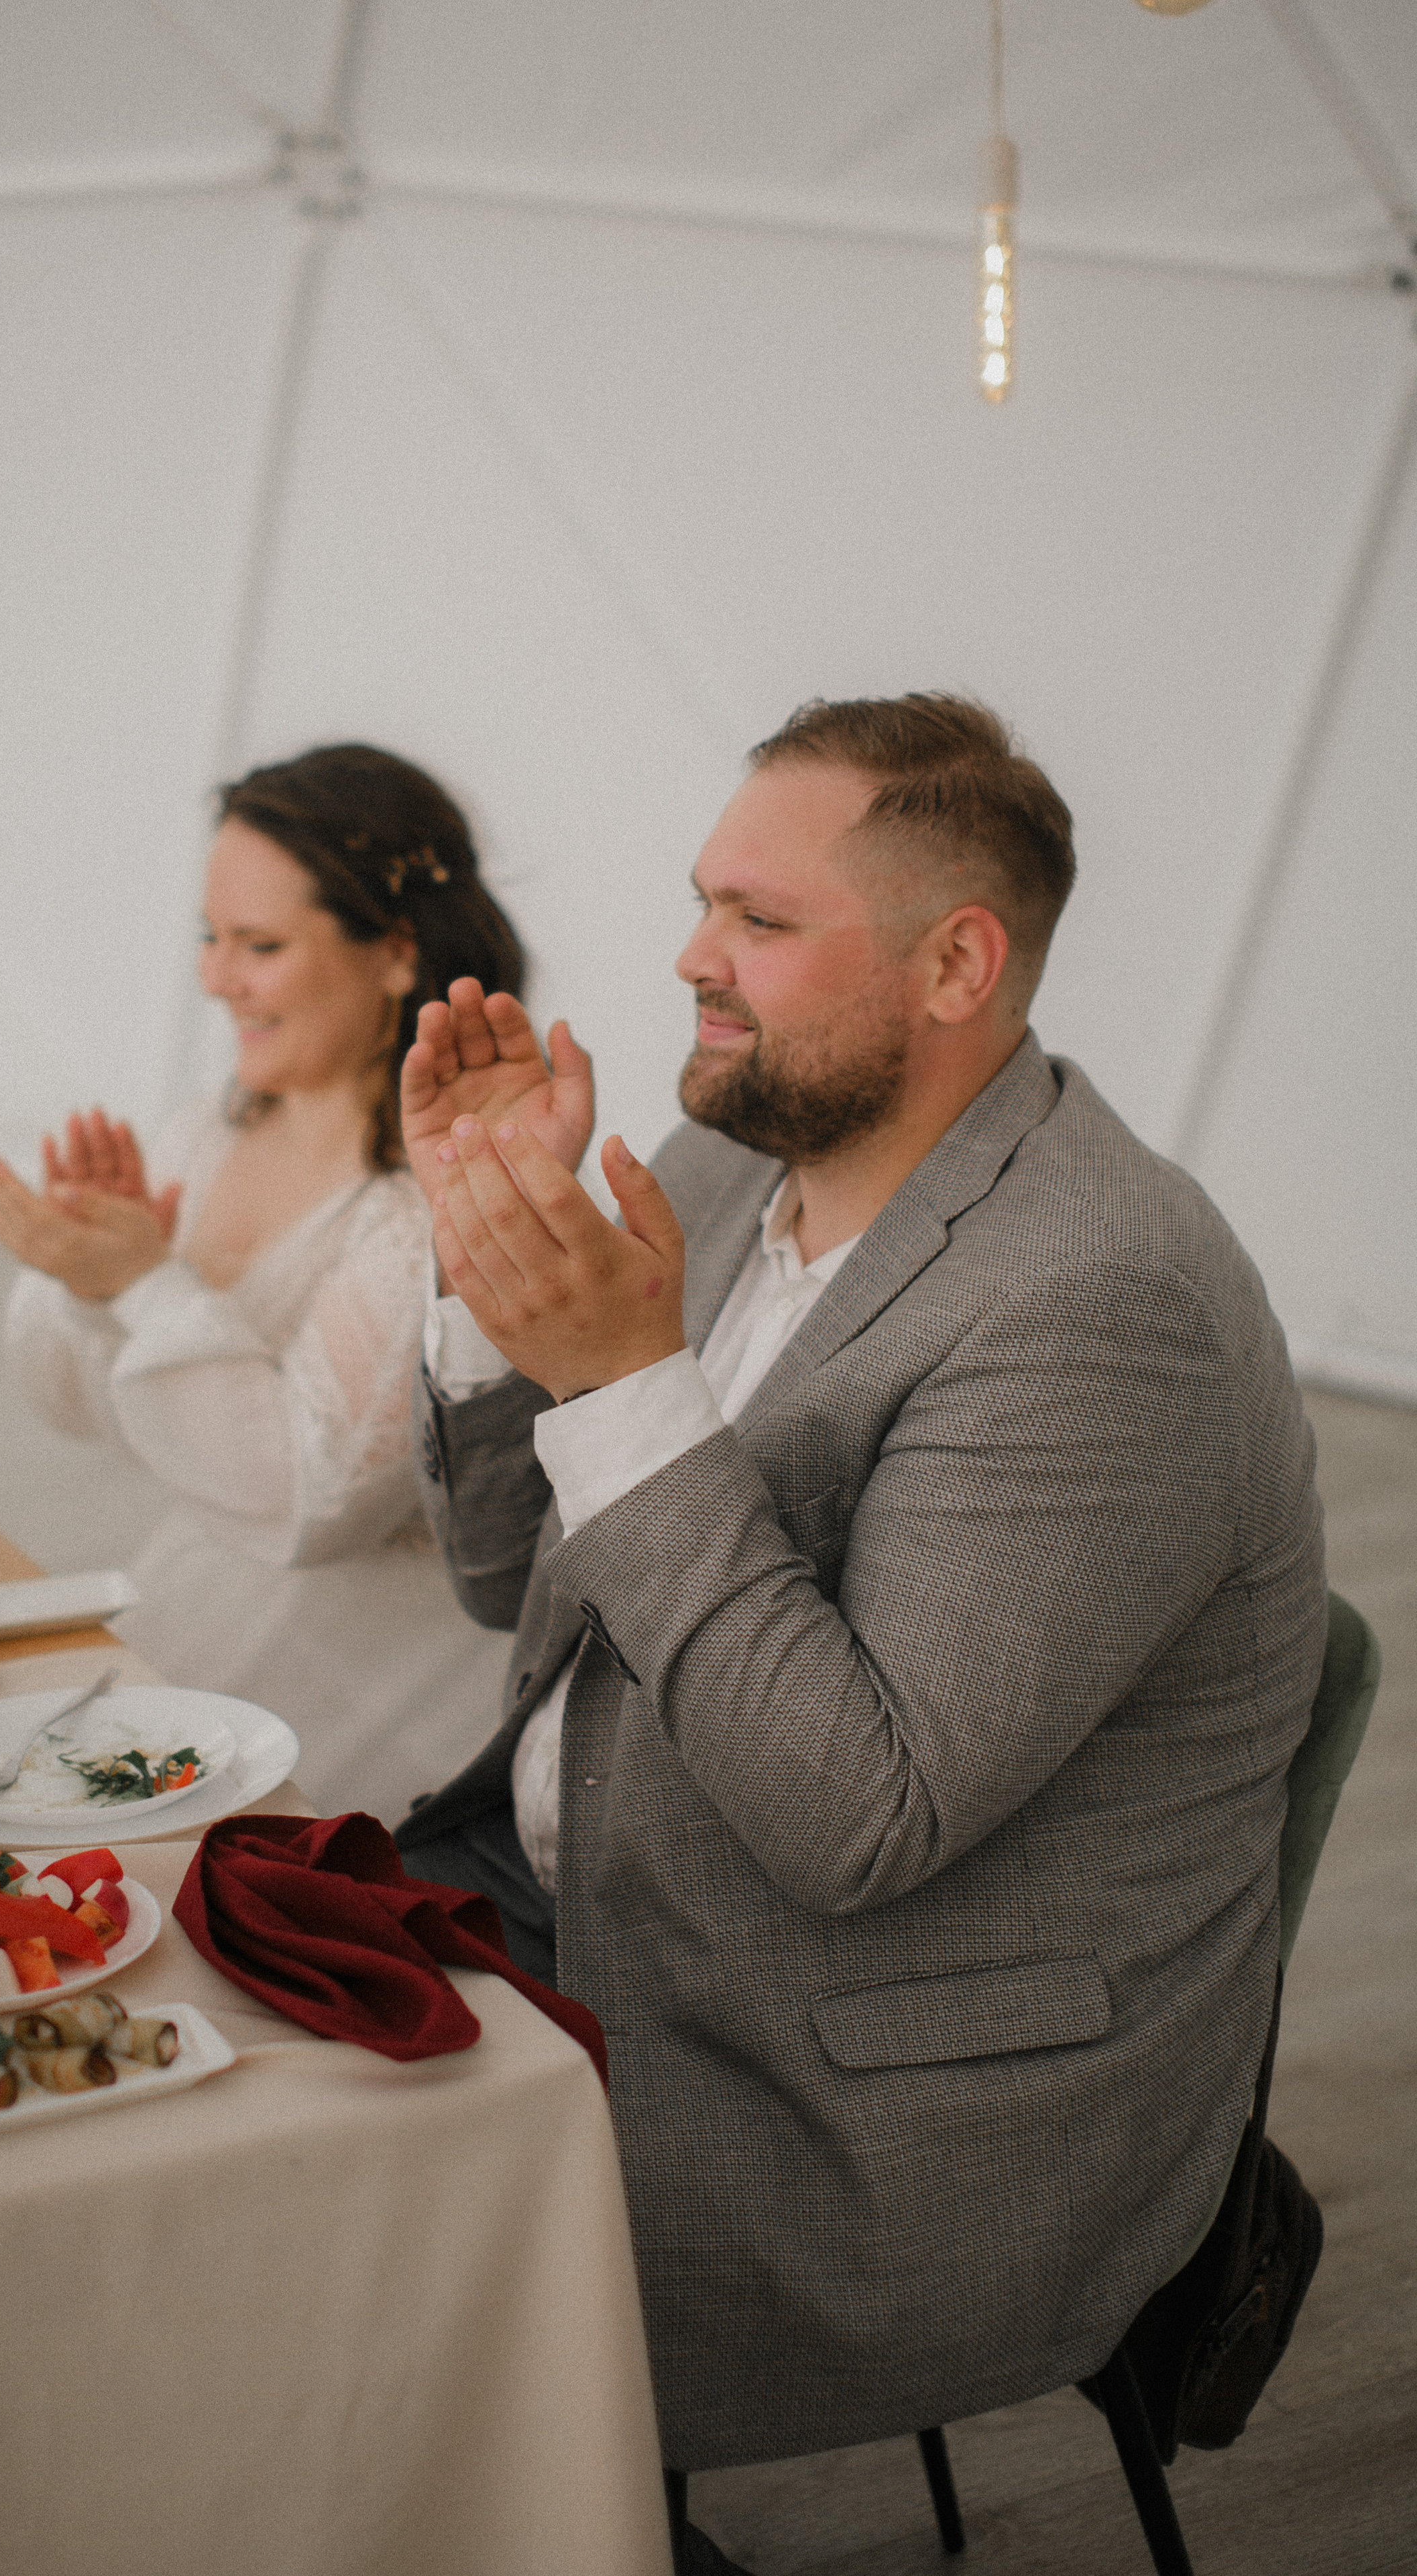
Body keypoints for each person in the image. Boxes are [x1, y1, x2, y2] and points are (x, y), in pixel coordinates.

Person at [393, 695, 1328, 2501]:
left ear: (957, 961)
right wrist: (488, 1245)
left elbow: (858, 1822)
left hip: (858, 2082)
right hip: (573, 1904)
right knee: (178, 2110)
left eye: (758, 919)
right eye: (702, 903)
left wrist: (617, 1386)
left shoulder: (1100, 1303)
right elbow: (511, 1571)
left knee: (312, 2276)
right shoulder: (737, 1160)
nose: (690, 956)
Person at [0, 743, 524, 1824]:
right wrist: (93, 1278)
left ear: (397, 953)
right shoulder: (219, 1126)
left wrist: (146, 1284)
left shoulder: (438, 1194)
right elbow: (84, 1416)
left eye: (260, 945)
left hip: (362, 1688)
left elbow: (308, 1500)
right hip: (202, 1605)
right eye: (210, 939)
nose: (217, 979)